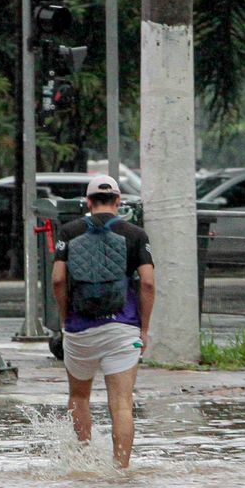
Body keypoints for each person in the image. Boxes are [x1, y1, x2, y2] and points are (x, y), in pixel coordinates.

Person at [51, 174, 155, 468]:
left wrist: (64, 319)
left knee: (79, 396)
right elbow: (147, 284)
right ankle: (120, 469)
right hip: (123, 328)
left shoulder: (69, 231)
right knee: (121, 403)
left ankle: (83, 462)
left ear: (88, 202)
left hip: (79, 328)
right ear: (118, 201)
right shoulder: (136, 234)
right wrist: (144, 329)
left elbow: (58, 279)